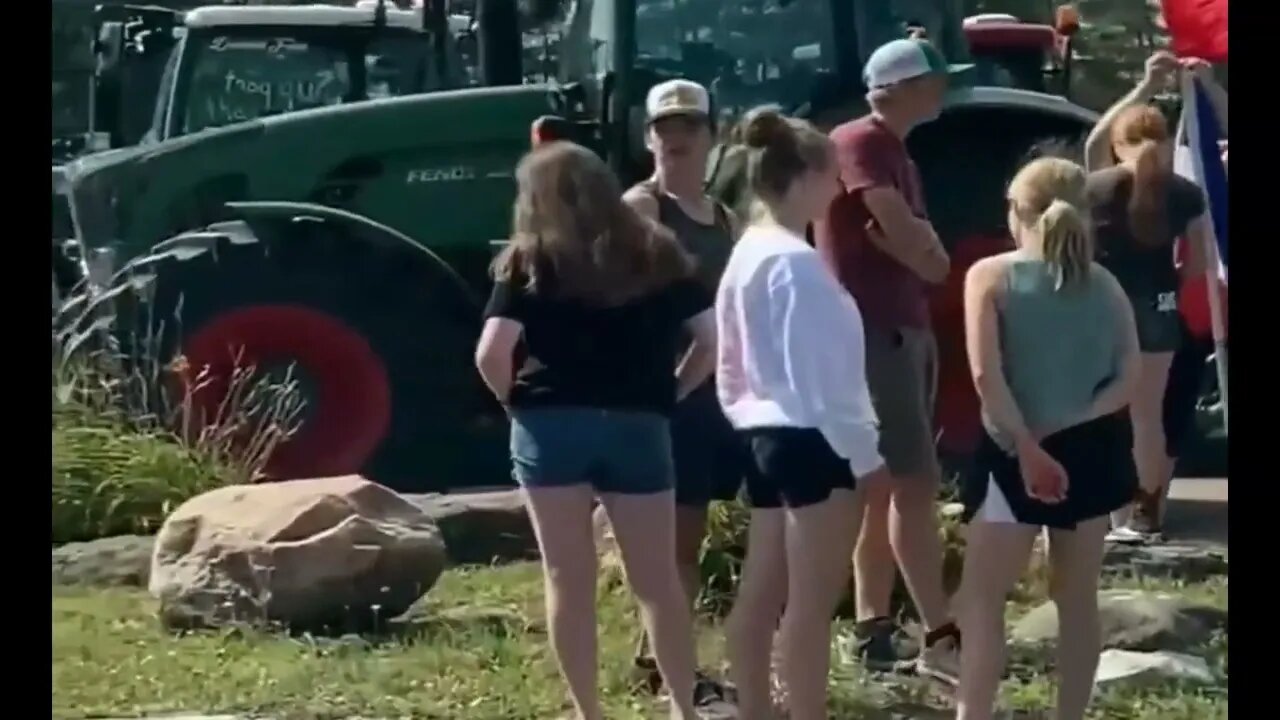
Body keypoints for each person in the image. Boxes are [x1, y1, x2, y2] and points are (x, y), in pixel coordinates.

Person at [474, 141, 715, 720]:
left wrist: (516, 405)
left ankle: (589, 712)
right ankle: (683, 706)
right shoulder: (657, 253)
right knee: (657, 582)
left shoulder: (529, 258)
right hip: (640, 424)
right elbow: (712, 340)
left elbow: (491, 352)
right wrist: (671, 393)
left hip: (550, 426)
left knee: (567, 577)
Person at [716, 105, 887, 720]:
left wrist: (744, 417)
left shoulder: (746, 254)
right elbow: (825, 378)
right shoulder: (795, 263)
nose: (840, 187)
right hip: (815, 438)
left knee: (759, 596)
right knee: (810, 605)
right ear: (808, 176)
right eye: (833, 175)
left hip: (763, 434)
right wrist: (864, 458)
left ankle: (759, 709)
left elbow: (729, 361)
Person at [956, 157, 1141, 720]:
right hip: (1091, 450)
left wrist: (1029, 442)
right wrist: (1070, 423)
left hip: (1013, 452)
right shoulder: (1106, 284)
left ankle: (975, 713)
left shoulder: (989, 275)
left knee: (983, 600)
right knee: (1078, 601)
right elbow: (1128, 375)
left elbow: (986, 376)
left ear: (1019, 212)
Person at [813, 37, 969, 681]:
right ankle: (940, 630)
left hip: (900, 330)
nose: (945, 90)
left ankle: (874, 625)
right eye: (935, 80)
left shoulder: (894, 147)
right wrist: (927, 254)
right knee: (912, 482)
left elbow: (915, 240)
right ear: (900, 86)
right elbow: (902, 230)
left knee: (885, 487)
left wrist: (924, 252)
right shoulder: (863, 142)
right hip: (877, 332)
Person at [617, 78, 744, 704]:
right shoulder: (642, 209)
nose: (677, 141)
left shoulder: (723, 217)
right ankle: (661, 659)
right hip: (662, 390)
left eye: (689, 129)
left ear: (710, 136)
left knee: (688, 532)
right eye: (665, 130)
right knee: (667, 534)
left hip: (712, 393)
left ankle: (660, 653)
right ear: (648, 138)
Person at [1083, 83, 1213, 543]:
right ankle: (1147, 519)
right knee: (1148, 417)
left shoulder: (1097, 187)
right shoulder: (1185, 193)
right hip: (1160, 306)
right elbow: (1198, 263)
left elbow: (1092, 145)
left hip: (1104, 307)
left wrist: (1142, 85)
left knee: (1101, 414)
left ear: (1120, 143)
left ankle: (1108, 517)